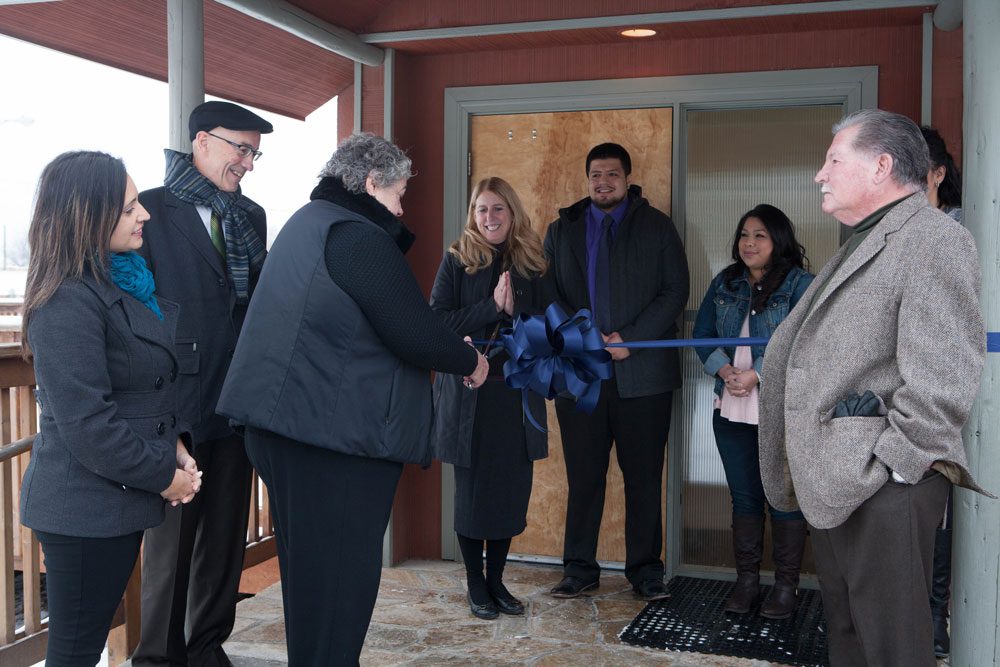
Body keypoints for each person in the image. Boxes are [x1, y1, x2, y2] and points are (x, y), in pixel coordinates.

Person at [216, 132, 489, 665]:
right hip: (330, 444)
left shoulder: (308, 223)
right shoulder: (356, 236)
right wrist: (470, 361)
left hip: (287, 431)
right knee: (340, 588)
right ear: (370, 183)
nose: (402, 209)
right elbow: (412, 330)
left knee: (312, 584)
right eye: (399, 195)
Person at [758, 109, 987, 666]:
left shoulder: (934, 239)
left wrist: (892, 468)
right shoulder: (867, 239)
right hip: (845, 482)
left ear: (881, 166)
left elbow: (944, 377)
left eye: (834, 160)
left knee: (892, 651)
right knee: (851, 642)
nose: (821, 174)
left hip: (884, 487)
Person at [19, 151, 201, 666]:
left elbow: (142, 387)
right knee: (76, 651)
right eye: (128, 208)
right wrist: (165, 478)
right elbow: (89, 425)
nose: (144, 214)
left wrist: (175, 444)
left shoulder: (120, 281)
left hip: (112, 502)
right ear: (87, 216)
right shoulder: (67, 300)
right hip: (83, 507)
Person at [132, 101, 272, 667]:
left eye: (255, 153)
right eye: (241, 149)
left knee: (224, 539)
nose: (248, 163)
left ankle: (208, 648)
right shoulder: (149, 210)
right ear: (202, 141)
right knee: (171, 545)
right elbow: (136, 308)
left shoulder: (252, 216)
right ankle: (158, 658)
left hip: (236, 401)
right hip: (177, 406)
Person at [544, 143, 689, 601]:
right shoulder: (561, 230)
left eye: (611, 174)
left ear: (627, 178)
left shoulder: (657, 226)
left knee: (643, 478)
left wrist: (632, 338)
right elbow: (547, 293)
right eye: (595, 175)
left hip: (643, 378)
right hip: (580, 375)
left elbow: (675, 290)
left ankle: (645, 572)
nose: (602, 182)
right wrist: (580, 337)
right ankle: (579, 569)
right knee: (584, 477)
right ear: (587, 180)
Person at [430, 177, 550, 620]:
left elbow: (550, 326)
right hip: (469, 396)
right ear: (472, 214)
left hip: (515, 395)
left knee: (508, 492)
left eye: (498, 208)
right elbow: (436, 322)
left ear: (512, 212)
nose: (489, 217)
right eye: (481, 209)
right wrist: (492, 309)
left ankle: (497, 580)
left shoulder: (533, 262)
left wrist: (518, 311)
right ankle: (474, 583)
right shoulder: (457, 258)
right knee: (472, 494)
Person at [692, 204, 813, 619]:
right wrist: (724, 369)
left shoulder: (800, 284)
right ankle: (746, 583)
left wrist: (757, 374)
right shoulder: (725, 282)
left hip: (778, 408)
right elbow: (702, 334)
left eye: (760, 235)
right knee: (744, 498)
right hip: (730, 406)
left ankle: (785, 588)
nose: (749, 243)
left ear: (778, 240)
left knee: (782, 497)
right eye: (744, 234)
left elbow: (803, 341)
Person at [920, 124, 963, 658]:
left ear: (936, 174)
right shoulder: (891, 231)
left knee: (943, 505)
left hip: (950, 385)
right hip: (902, 388)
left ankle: (935, 615)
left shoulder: (961, 230)